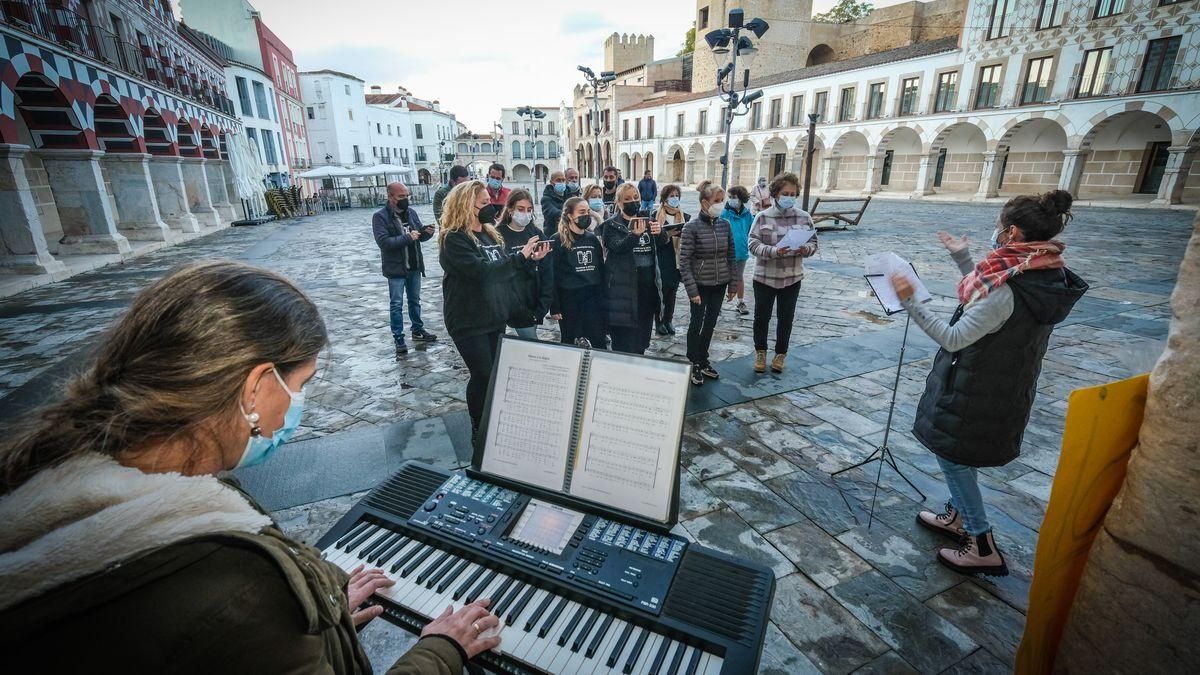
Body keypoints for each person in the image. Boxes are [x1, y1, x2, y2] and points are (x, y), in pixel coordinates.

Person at [0, 261, 501, 673]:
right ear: (256, 387)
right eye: (300, 385)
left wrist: (320, 617)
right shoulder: (241, 588)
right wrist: (442, 651)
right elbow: (234, 624)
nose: (299, 403)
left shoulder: (52, 477)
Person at [894, 190, 1087, 577]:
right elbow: (990, 297)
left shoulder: (1008, 285)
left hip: (979, 385)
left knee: (953, 456)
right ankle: (957, 516)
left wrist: (911, 301)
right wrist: (963, 257)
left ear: (1012, 232)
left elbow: (954, 336)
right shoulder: (1042, 271)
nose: (995, 233)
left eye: (999, 227)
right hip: (1005, 382)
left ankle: (981, 542)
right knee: (963, 453)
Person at [440, 181, 550, 437]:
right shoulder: (454, 238)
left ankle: (494, 420)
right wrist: (519, 257)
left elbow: (504, 274)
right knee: (482, 374)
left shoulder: (490, 234)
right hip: (468, 318)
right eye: (484, 203)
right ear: (467, 205)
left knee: (495, 375)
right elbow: (481, 272)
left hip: (494, 316)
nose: (491, 206)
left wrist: (529, 262)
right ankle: (479, 427)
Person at [747, 172, 817, 374]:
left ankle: (780, 354)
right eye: (785, 193)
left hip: (791, 278)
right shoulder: (762, 217)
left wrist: (806, 249)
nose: (789, 197)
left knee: (786, 318)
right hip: (765, 277)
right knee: (762, 317)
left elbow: (813, 243)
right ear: (776, 193)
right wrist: (773, 251)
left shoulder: (804, 217)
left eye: (793, 193)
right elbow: (752, 244)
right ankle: (760, 352)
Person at [679, 181, 736, 386]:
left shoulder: (725, 225)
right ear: (704, 203)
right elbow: (684, 262)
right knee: (697, 323)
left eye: (722, 201)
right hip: (700, 285)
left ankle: (703, 359)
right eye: (716, 201)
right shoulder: (691, 227)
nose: (720, 205)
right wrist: (692, 289)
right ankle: (693, 360)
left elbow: (731, 255)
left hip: (719, 283)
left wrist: (733, 284)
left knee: (710, 323)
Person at [602, 182, 670, 355]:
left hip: (647, 287)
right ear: (618, 202)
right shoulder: (611, 225)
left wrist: (660, 232)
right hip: (623, 289)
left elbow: (663, 242)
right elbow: (617, 247)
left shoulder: (648, 219)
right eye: (627, 199)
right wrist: (634, 235)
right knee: (624, 339)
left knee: (642, 336)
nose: (633, 201)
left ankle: (639, 358)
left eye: (636, 197)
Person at [372, 181, 438, 358]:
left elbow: (418, 237)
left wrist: (426, 234)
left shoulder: (411, 213)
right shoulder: (380, 217)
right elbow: (384, 243)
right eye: (401, 196)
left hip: (414, 265)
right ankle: (398, 337)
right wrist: (407, 237)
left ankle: (417, 329)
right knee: (396, 304)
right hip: (396, 269)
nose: (405, 199)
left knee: (415, 300)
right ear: (390, 197)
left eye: (407, 196)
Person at [549, 197, 607, 348]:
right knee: (570, 341)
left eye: (587, 211)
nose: (586, 215)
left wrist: (603, 297)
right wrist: (554, 305)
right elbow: (552, 275)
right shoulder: (557, 240)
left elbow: (600, 269)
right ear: (570, 215)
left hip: (592, 297)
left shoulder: (592, 239)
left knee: (598, 340)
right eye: (581, 212)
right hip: (569, 299)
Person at [497, 189, 553, 341]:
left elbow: (547, 270)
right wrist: (529, 260)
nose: (525, 214)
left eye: (529, 210)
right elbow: (503, 271)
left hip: (534, 300)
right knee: (532, 345)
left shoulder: (535, 233)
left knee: (527, 344)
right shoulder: (498, 235)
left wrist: (544, 304)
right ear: (510, 210)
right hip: (514, 303)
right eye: (520, 209)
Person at [653, 184, 689, 336]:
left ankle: (668, 320)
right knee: (661, 292)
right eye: (671, 195)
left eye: (676, 195)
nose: (674, 199)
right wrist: (666, 235)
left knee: (672, 292)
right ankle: (659, 321)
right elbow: (653, 240)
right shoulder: (655, 215)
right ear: (664, 198)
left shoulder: (685, 217)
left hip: (677, 260)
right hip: (662, 259)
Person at [723, 185, 755, 315]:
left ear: (741, 199)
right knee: (722, 278)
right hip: (725, 252)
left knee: (739, 277)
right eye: (729, 197)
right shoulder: (724, 213)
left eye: (734, 197)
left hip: (741, 252)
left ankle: (740, 301)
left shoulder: (747, 215)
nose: (731, 200)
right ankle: (716, 303)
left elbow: (752, 230)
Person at [540, 169, 580, 238]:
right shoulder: (546, 198)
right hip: (553, 234)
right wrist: (571, 214)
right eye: (558, 180)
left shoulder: (569, 195)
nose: (561, 182)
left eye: (563, 180)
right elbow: (553, 213)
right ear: (551, 182)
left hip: (569, 234)